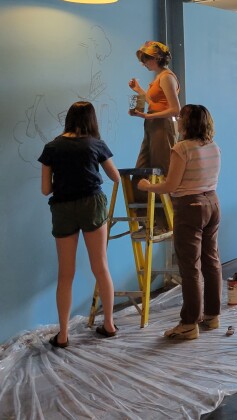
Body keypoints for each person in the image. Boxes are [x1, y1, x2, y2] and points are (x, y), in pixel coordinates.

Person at [38, 101, 120, 348]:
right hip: (92, 204)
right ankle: (108, 324)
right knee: (101, 267)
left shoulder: (51, 147)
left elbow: (45, 190)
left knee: (65, 274)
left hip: (63, 208)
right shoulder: (96, 143)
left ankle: (63, 335)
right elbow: (115, 177)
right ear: (91, 120)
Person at [138, 104, 222, 340]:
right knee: (211, 261)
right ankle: (212, 316)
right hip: (213, 204)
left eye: (180, 119)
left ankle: (188, 324)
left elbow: (171, 186)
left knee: (190, 267)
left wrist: (148, 187)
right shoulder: (214, 147)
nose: (177, 122)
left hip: (190, 207)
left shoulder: (181, 148)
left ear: (186, 123)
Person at [128, 41, 181, 231]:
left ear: (157, 58)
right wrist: (140, 91)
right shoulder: (159, 78)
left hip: (162, 127)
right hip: (151, 127)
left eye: (147, 59)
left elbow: (175, 109)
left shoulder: (167, 77)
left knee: (163, 170)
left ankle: (169, 221)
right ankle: (150, 221)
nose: (145, 63)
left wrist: (148, 115)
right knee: (141, 172)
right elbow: (155, 102)